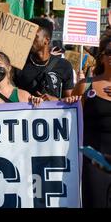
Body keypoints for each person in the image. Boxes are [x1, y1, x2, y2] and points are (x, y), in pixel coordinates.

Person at [72, 32, 111, 208]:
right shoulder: (85, 85)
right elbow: (68, 114)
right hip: (94, 161)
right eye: (109, 52)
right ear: (102, 56)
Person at [14, 17, 74, 100]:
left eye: (34, 36)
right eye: (28, 36)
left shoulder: (64, 65)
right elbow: (8, 94)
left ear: (46, 40)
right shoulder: (19, 63)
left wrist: (55, 100)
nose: (29, 39)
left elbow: (70, 101)